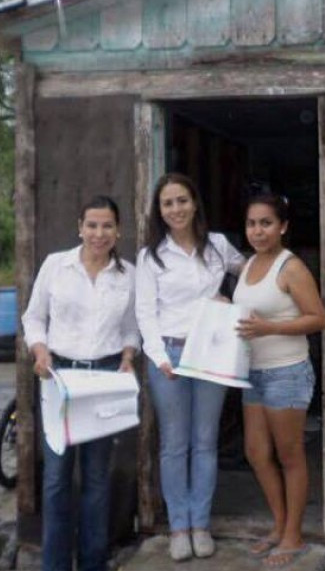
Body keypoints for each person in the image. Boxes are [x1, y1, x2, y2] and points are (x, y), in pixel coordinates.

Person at [20, 195, 139, 571]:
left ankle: (93, 562)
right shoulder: (56, 266)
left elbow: (132, 329)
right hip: (59, 376)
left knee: (96, 478)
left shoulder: (129, 275)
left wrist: (127, 355)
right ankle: (55, 565)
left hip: (103, 378)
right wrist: (40, 351)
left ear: (118, 231)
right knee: (56, 478)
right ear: (79, 228)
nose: (98, 234)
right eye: (92, 225)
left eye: (107, 226)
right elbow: (34, 317)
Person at [135, 173, 245, 561]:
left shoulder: (217, 246)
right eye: (168, 203)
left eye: (182, 200)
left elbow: (248, 272)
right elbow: (146, 314)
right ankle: (178, 527)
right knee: (174, 445)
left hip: (212, 353)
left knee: (205, 441)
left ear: (194, 203)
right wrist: (160, 358)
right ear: (159, 211)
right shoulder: (151, 256)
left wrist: (230, 301)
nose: (176, 209)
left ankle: (201, 524)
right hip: (171, 355)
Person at [233, 193, 325, 568]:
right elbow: (249, 312)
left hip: (287, 370)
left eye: (266, 223)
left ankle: (293, 535)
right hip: (252, 372)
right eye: (252, 224)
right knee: (256, 453)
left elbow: (319, 318)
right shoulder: (250, 264)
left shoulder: (291, 268)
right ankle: (278, 525)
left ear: (283, 226)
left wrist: (270, 327)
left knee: (289, 455)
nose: (258, 231)